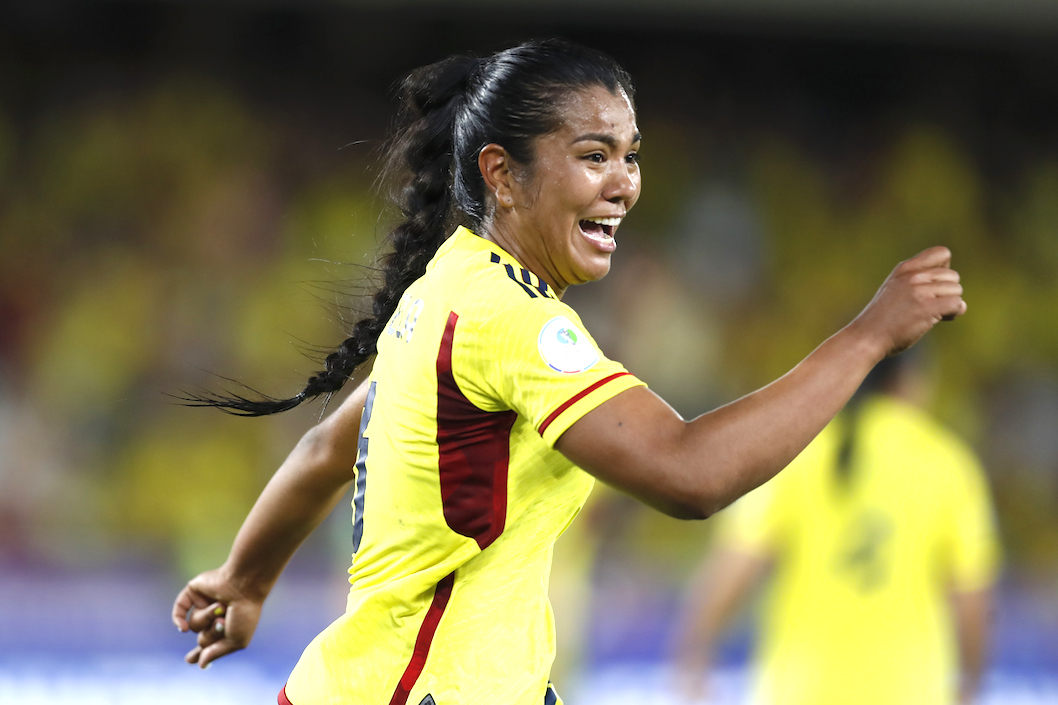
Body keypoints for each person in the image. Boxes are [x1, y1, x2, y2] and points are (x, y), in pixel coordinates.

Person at [170, 39, 967, 705]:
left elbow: (323, 452)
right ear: (503, 175)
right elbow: (689, 475)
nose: (623, 184)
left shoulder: (451, 284)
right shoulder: (512, 319)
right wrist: (866, 338)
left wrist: (245, 580)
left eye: (630, 156)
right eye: (593, 156)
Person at [672, 353, 1001, 705]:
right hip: (911, 691)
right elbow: (972, 599)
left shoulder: (796, 453)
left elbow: (737, 565)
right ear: (912, 382)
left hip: (801, 691)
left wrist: (696, 651)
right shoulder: (948, 465)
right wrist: (971, 683)